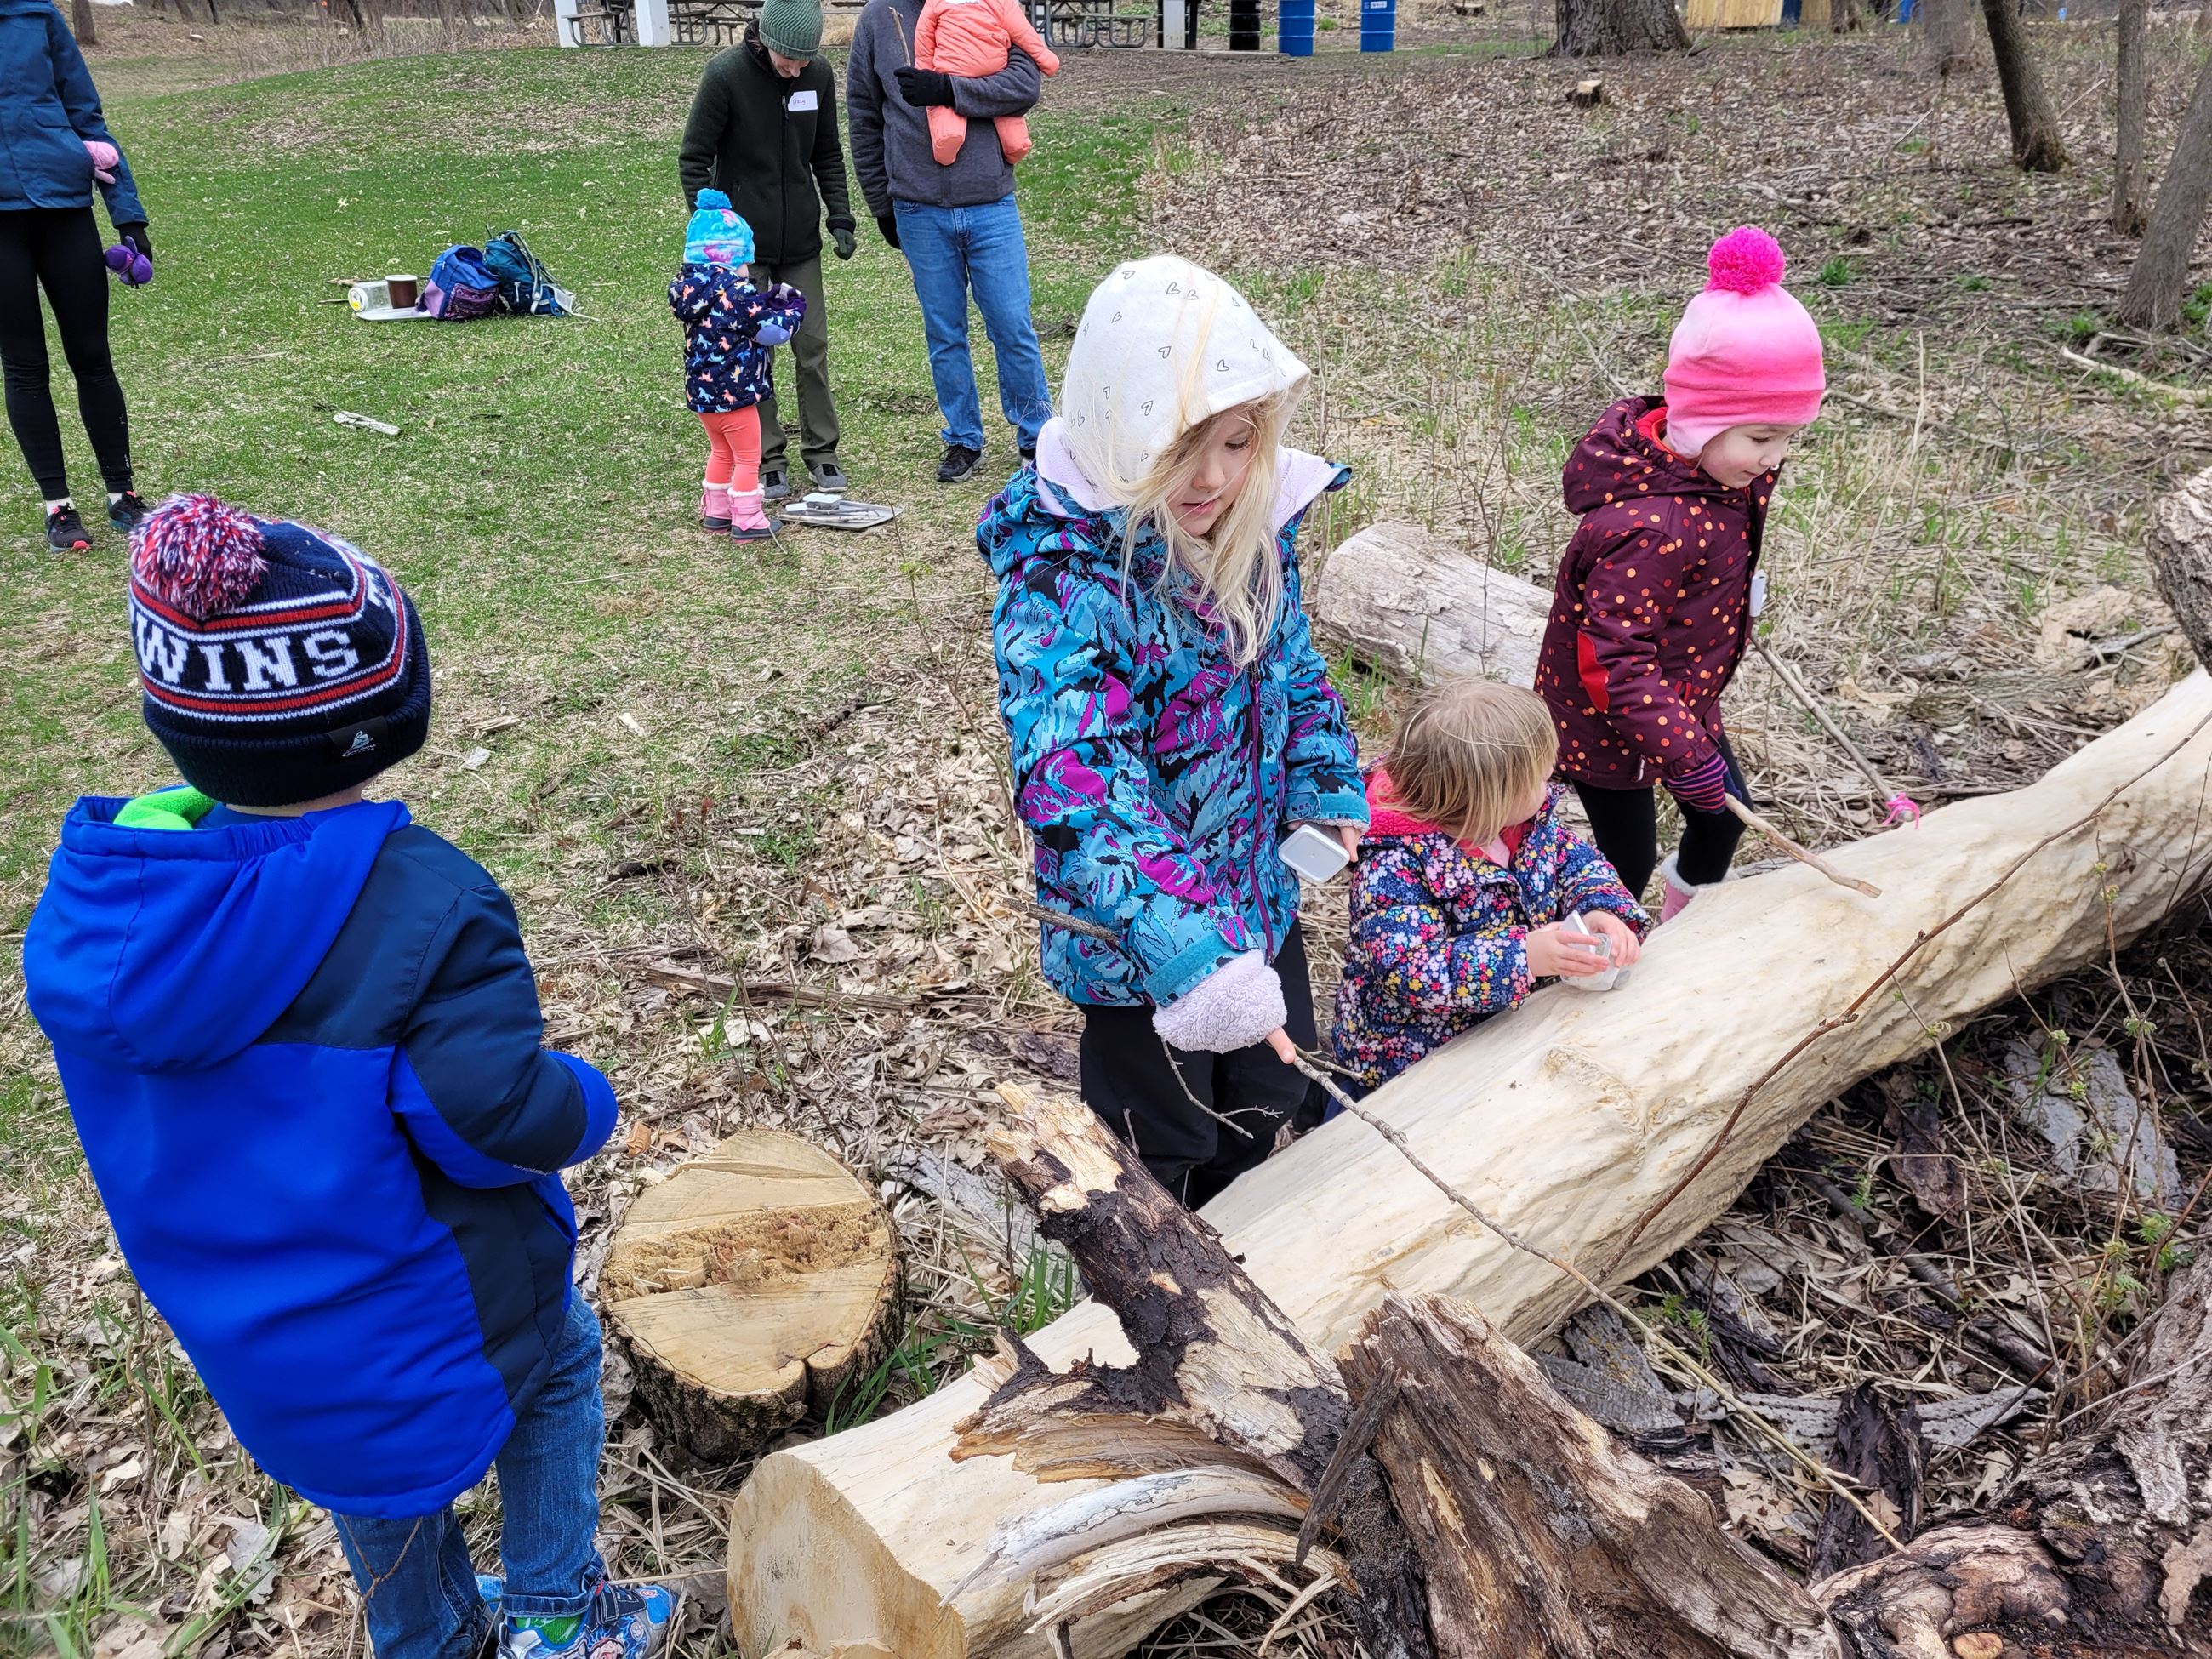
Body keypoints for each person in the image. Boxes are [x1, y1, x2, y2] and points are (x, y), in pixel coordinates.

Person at [20, 494, 675, 1659]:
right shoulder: (423, 901)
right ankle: (559, 1614)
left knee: (369, 1473)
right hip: (427, 1296)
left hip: (258, 1336)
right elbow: (488, 1117)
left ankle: (428, 1638)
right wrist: (591, 1099)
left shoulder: (105, 909)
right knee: (564, 1363)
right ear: (380, 711)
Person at [978, 255, 1365, 1207]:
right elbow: (1078, 778)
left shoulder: (1251, 531)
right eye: (1179, 445)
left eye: (1237, 443)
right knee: (1161, 1138)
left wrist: (1323, 791)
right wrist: (1191, 954)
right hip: (1140, 951)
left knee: (1271, 1085)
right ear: (1117, 430)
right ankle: (1161, 1276)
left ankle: (1241, 1228)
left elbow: (1295, 676)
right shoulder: (1063, 579)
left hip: (1258, 901)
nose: (1211, 477)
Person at [1532, 225, 1825, 921]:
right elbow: (1614, 662)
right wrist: (1689, 760)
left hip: (1682, 693)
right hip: (1604, 720)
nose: (1775, 458)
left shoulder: (1723, 471)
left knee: (1724, 821)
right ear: (1700, 418)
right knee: (1620, 862)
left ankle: (1677, 934)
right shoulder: (1649, 528)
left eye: (1790, 436)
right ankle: (1565, 959)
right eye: (1762, 437)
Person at [1331, 678, 1646, 1095]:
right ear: (1490, 798)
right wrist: (1523, 956)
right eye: (1539, 776)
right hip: (1412, 1061)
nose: (1551, 779)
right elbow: (1411, 970)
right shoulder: (1395, 862)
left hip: (1505, 1032)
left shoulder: (1523, 825)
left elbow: (1578, 864)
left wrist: (1602, 908)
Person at [848, 0, 1052, 483]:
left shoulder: (991, 4)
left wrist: (950, 89)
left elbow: (1024, 86)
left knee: (1012, 325)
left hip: (990, 204)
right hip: (917, 207)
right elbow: (863, 114)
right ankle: (963, 438)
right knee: (945, 332)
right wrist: (881, 203)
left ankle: (1036, 436)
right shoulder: (878, 18)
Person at [677, 0, 856, 503]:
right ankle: (769, 456)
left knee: (811, 346)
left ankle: (822, 451)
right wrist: (717, 231)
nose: (796, 69)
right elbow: (694, 158)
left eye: (804, 61)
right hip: (741, 253)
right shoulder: (725, 75)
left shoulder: (816, 76)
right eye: (789, 60)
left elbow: (826, 153)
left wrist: (839, 215)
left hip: (799, 239)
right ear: (765, 39)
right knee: (752, 351)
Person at [1, 0, 153, 550]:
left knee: (92, 355)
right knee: (24, 366)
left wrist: (129, 215)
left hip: (65, 206)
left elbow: (88, 115)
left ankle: (123, 495)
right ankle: (58, 508)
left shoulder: (37, 16)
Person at [670, 190, 807, 542]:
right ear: (731, 257)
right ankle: (748, 519)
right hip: (735, 393)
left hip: (702, 394)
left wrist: (764, 302)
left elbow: (731, 319)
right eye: (746, 258)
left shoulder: (691, 291)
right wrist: (793, 307)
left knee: (721, 451)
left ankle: (716, 511)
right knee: (748, 457)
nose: (749, 268)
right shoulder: (738, 291)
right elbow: (770, 332)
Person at [915, 0, 1059, 167]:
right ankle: (947, 137)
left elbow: (1023, 34)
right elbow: (924, 45)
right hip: (912, 186)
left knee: (1013, 132)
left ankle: (1016, 142)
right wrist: (924, 77)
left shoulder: (999, 3)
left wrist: (1043, 57)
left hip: (993, 185)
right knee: (947, 129)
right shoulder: (931, 5)